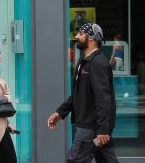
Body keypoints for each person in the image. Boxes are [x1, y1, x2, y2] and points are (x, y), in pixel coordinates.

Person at [47, 23, 119, 163]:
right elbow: (78, 94)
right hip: (94, 128)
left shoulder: (98, 63)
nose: (76, 36)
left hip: (91, 129)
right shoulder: (83, 61)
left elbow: (103, 99)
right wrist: (60, 113)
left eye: (80, 33)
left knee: (75, 160)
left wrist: (103, 129)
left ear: (91, 38)